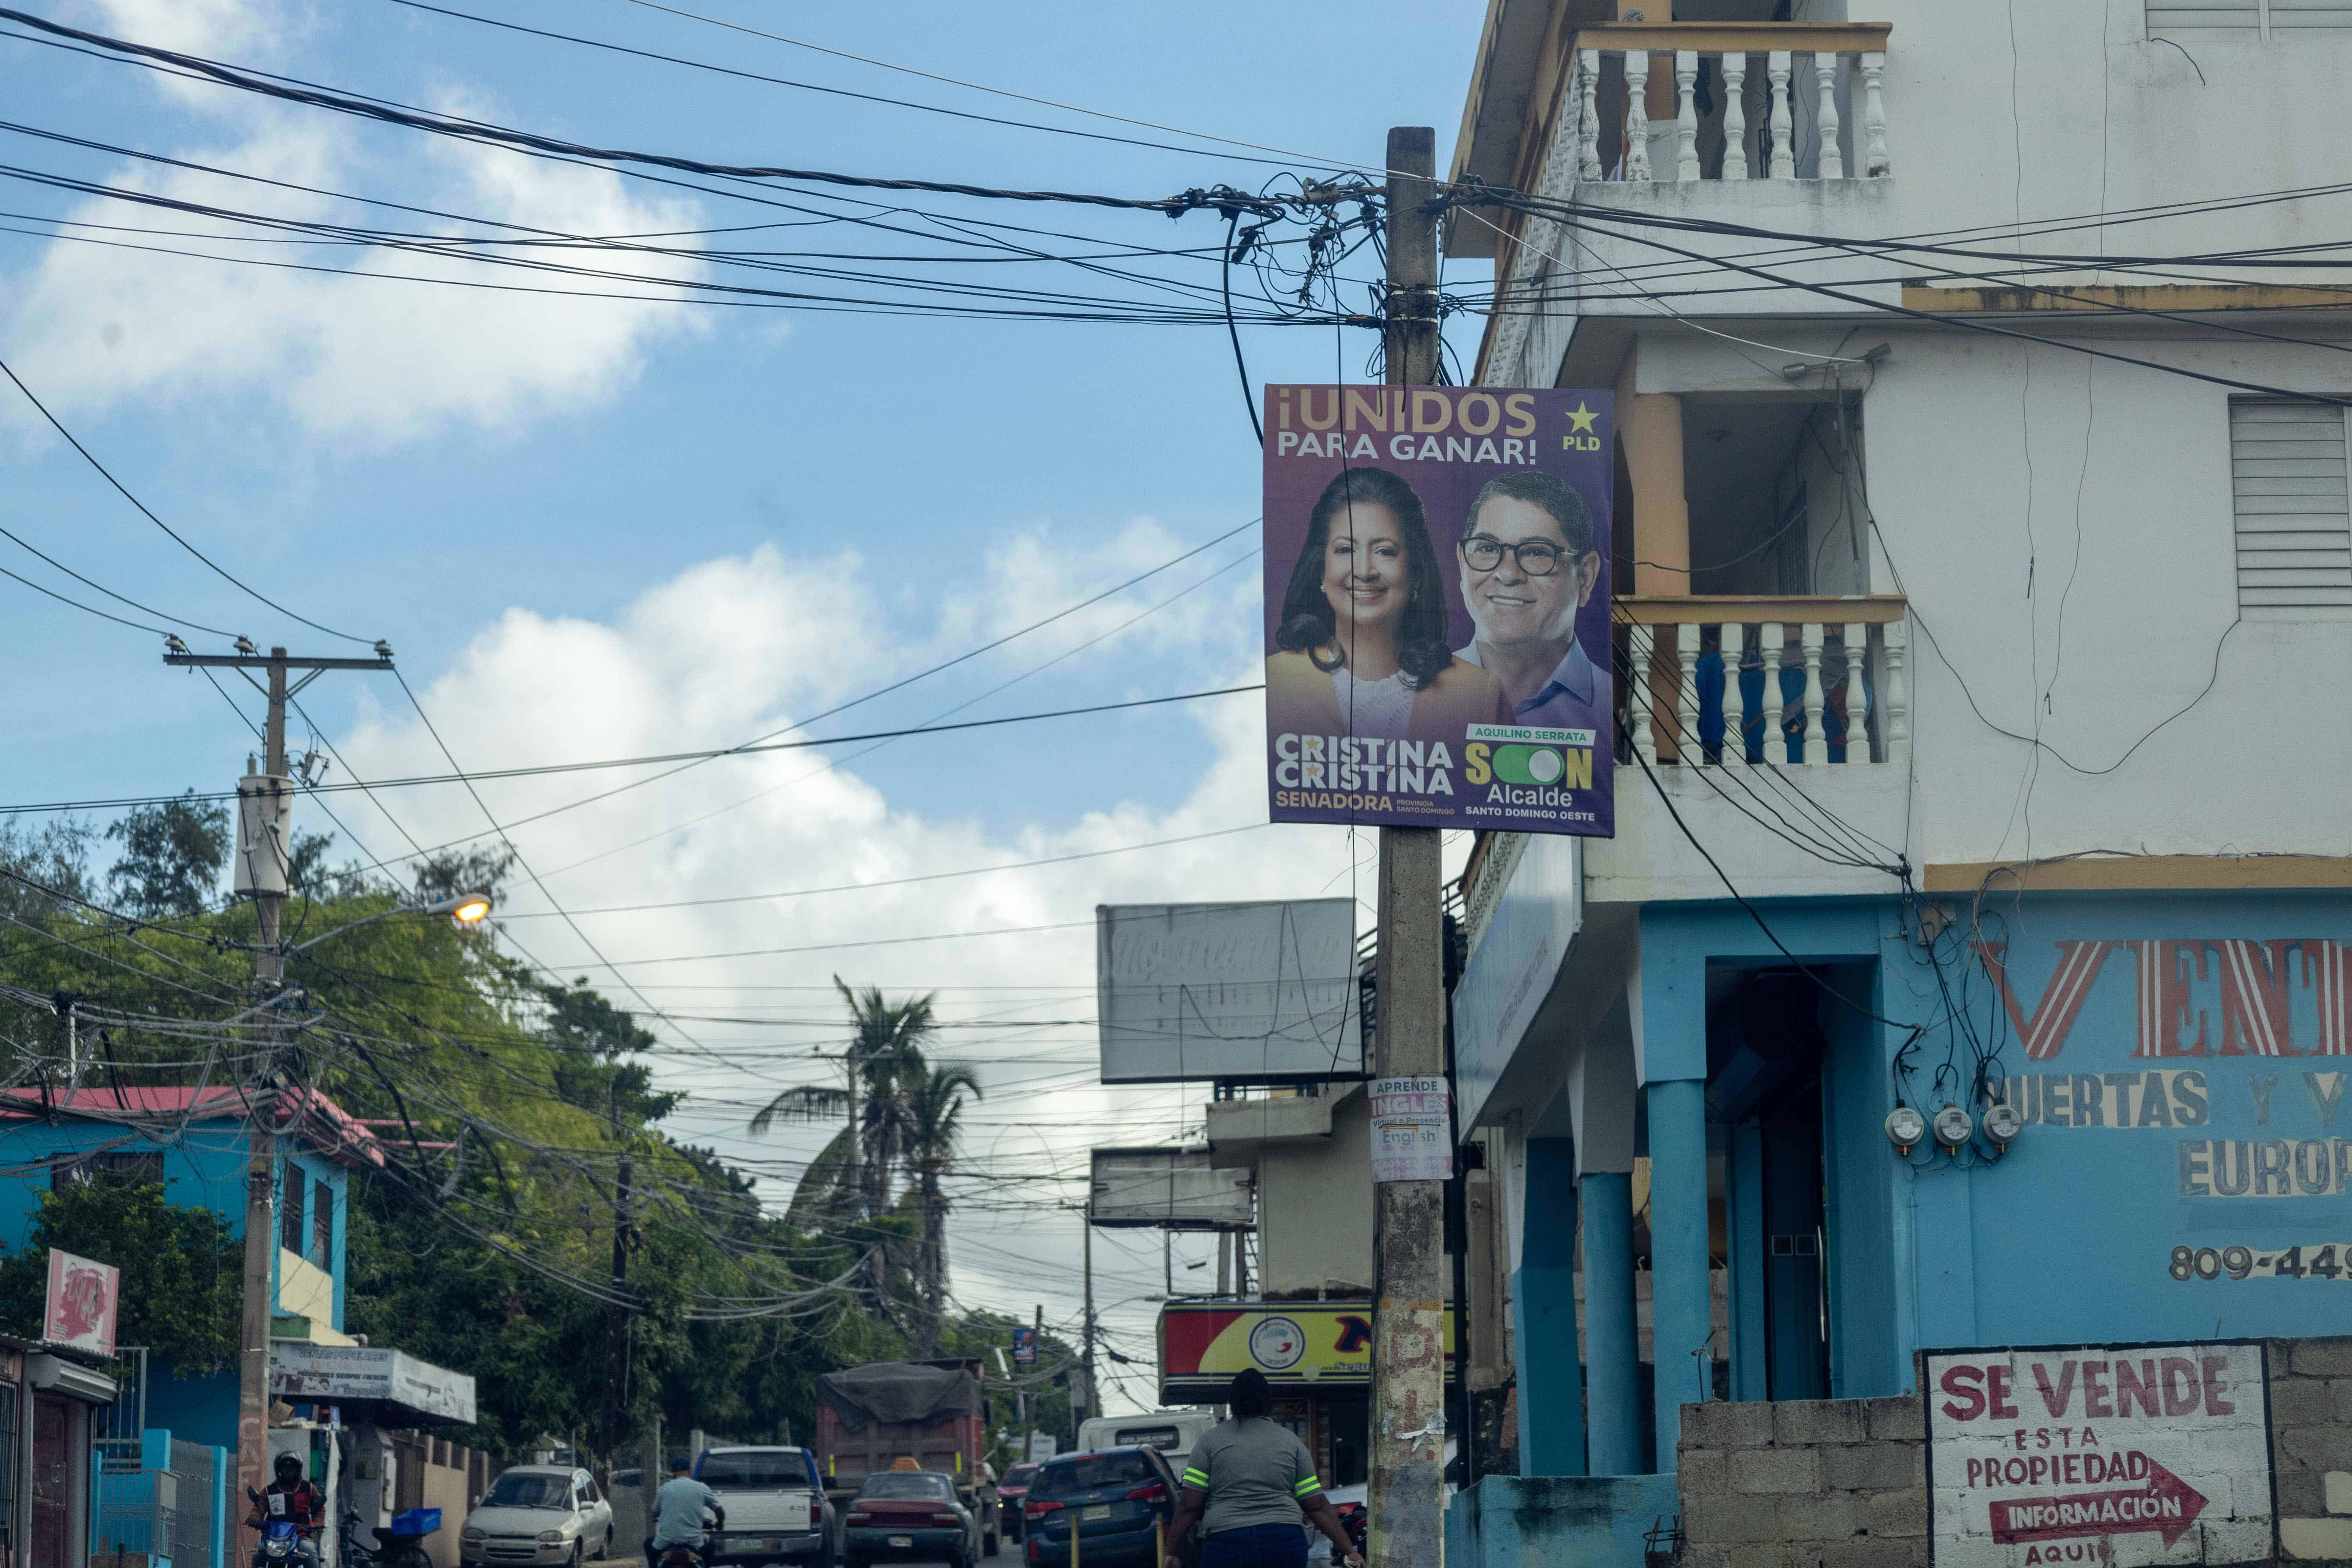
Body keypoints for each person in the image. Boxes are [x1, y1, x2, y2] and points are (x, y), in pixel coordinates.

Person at [1267, 466, 1502, 745]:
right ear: (1321, 571)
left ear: (1416, 572)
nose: (1365, 571)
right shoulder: (1279, 679)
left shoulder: (1478, 694)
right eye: (1345, 550)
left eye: (1385, 552)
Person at [1451, 470, 1609, 737]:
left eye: (1537, 552)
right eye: (1488, 549)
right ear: (1462, 563)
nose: (1509, 574)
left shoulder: (1611, 707)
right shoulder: (1410, 698)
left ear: (1586, 576)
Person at [1162, 1371, 1363, 1568]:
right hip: (1284, 1541)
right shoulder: (1291, 1442)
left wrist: (1170, 1552)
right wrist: (1350, 1551)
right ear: (1269, 1402)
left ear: (1232, 1403)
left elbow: (1190, 1505)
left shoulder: (1208, 1443)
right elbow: (1316, 1504)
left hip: (1228, 1543)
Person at [247, 1452, 326, 1567]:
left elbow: (320, 1509)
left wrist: (316, 1524)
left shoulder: (309, 1488)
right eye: (285, 1468)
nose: (288, 1471)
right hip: (272, 1538)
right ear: (279, 1470)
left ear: (297, 1470)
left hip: (301, 1535)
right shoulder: (269, 1491)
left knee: (309, 1549)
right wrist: (254, 1517)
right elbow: (259, 1507)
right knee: (258, 1549)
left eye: (291, 1468)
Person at [646, 1456, 725, 1568]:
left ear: (673, 1473)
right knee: (711, 1545)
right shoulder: (701, 1488)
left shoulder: (664, 1489)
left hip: (665, 1542)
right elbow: (720, 1511)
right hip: (695, 1542)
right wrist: (720, 1523)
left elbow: (654, 1513)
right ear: (690, 1471)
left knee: (648, 1544)